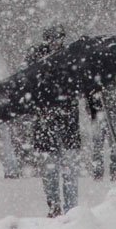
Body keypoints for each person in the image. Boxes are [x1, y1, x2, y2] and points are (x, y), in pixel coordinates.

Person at [26, 24, 81, 218]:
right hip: (47, 122)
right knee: (52, 170)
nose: (56, 43)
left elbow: (77, 85)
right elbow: (31, 89)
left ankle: (70, 210)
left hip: (66, 122)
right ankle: (55, 206)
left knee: (68, 170)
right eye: (54, 39)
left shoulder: (71, 58)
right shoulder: (37, 60)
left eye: (59, 39)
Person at [86, 85, 116, 180]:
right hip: (97, 110)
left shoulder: (110, 81)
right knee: (98, 143)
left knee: (113, 142)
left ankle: (114, 171)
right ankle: (98, 172)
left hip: (110, 107)